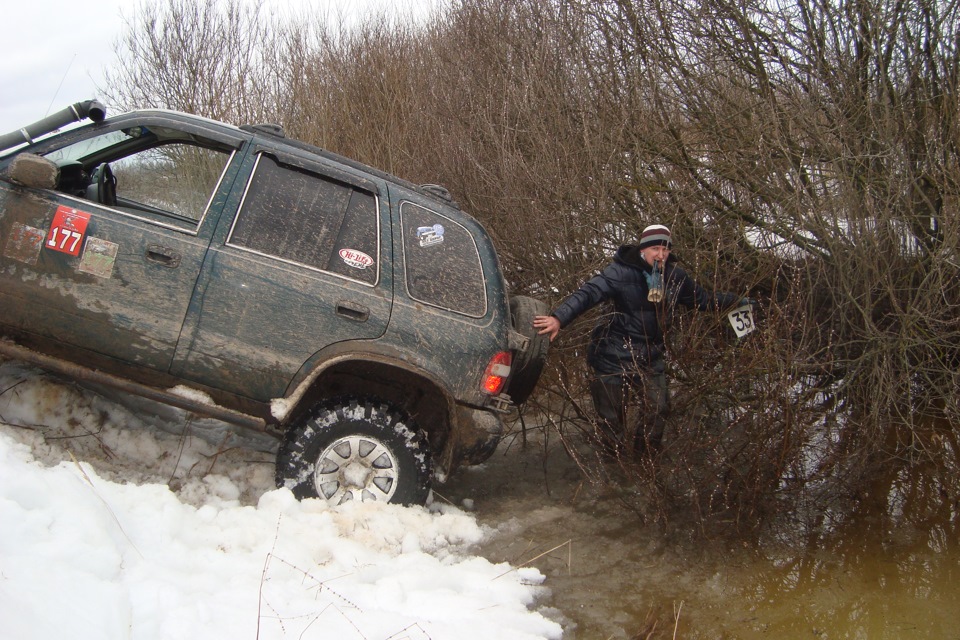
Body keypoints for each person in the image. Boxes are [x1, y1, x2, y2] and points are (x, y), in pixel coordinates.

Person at [533, 224, 745, 458]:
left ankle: (645, 464)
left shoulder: (675, 277)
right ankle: (615, 474)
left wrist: (738, 302)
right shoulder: (619, 272)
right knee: (611, 420)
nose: (661, 255)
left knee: (658, 409)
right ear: (643, 249)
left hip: (650, 356)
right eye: (655, 248)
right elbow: (588, 293)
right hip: (611, 355)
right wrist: (558, 318)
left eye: (665, 249)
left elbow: (703, 300)